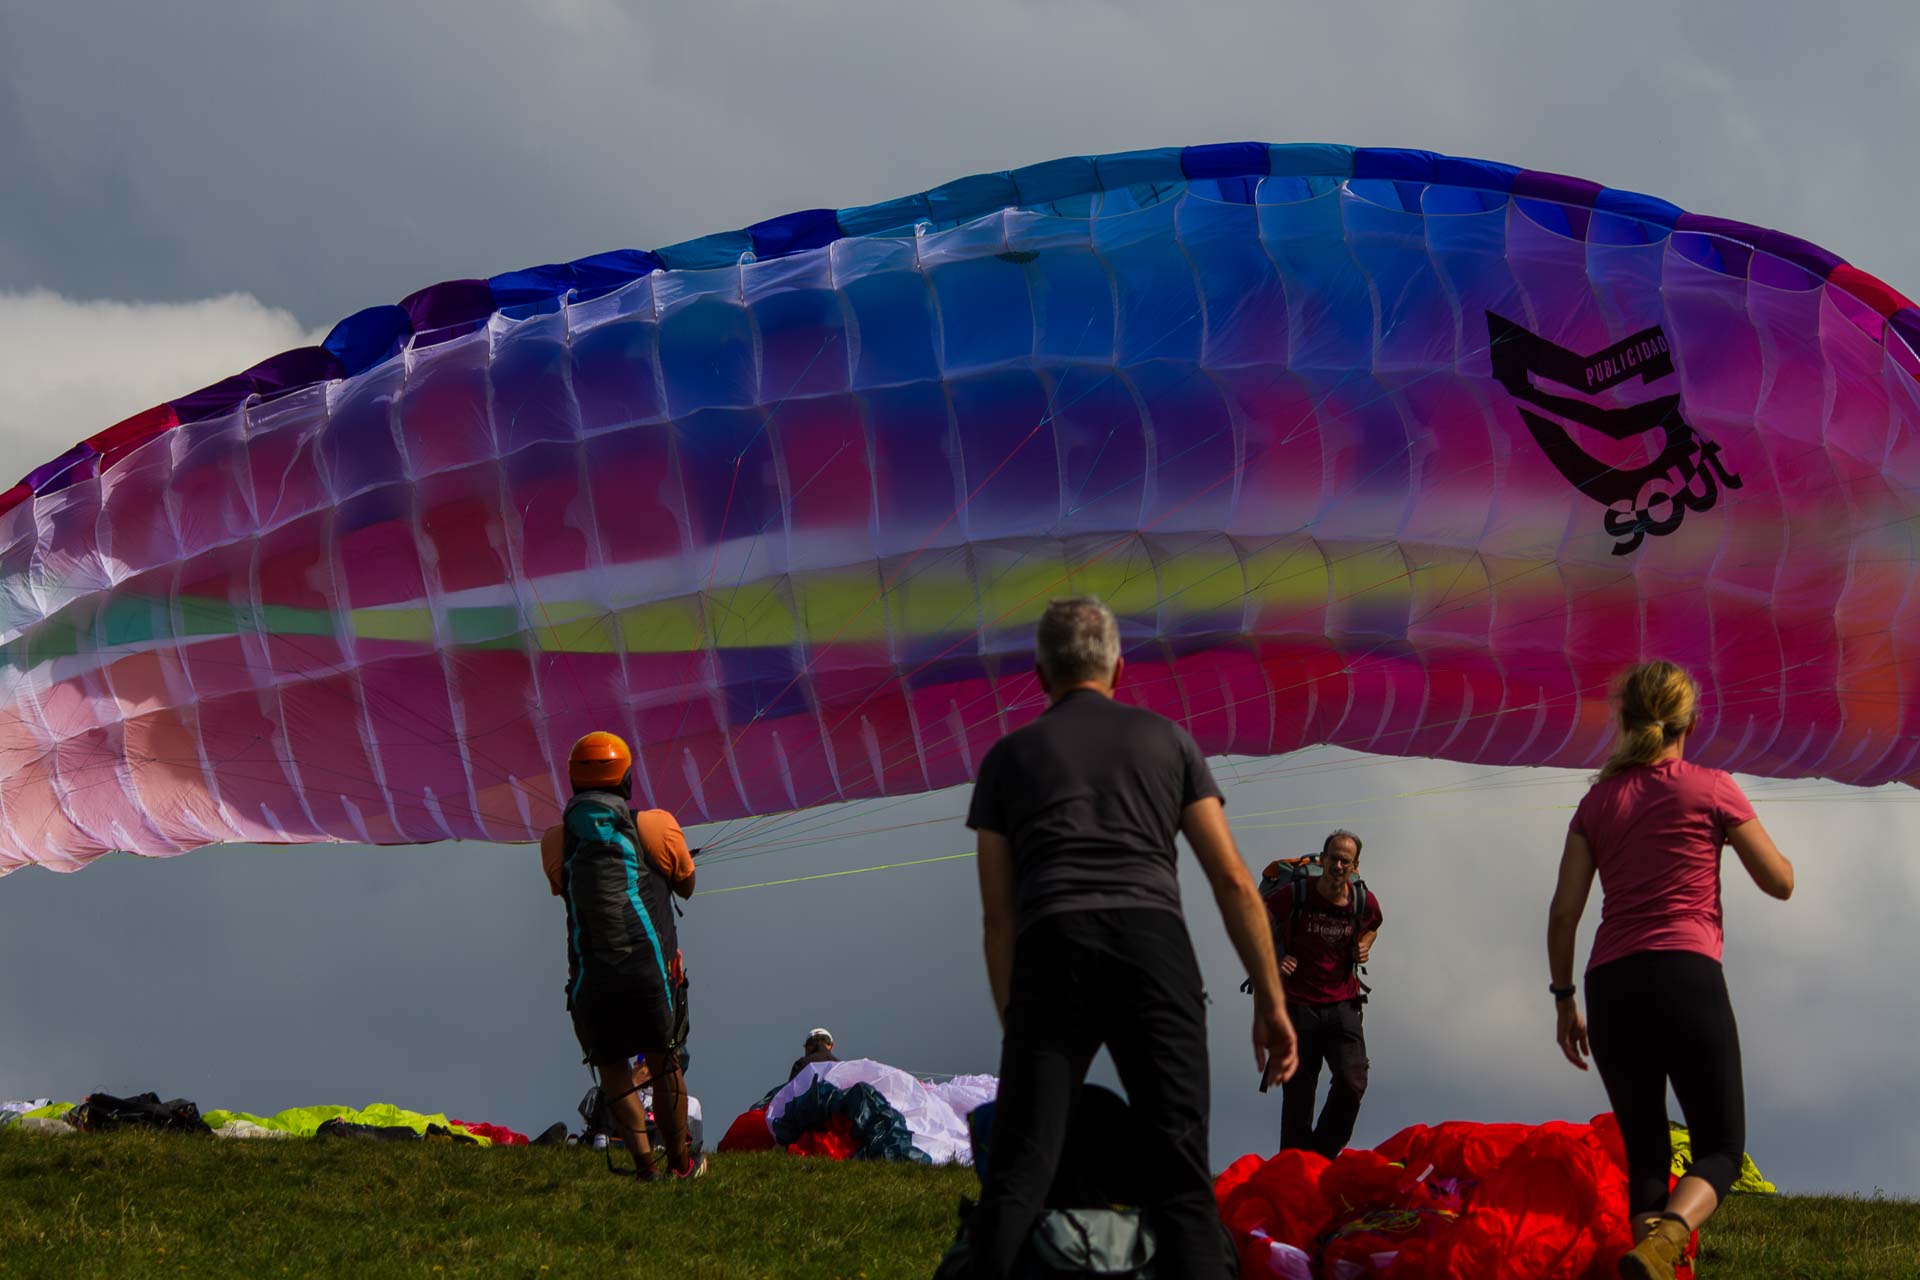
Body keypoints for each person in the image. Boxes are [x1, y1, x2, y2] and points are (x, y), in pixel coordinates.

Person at [966, 596, 1297, 1279]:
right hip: (1153, 948)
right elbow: (1234, 881)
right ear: (1119, 668)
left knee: (1018, 1176)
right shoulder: (1169, 741)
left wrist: (1021, 1026)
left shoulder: (1006, 757)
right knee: (1181, 1182)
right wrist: (1271, 1002)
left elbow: (998, 919)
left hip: (1053, 944)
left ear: (1040, 674)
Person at [1547, 662, 1793, 1280]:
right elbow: (1780, 883)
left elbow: (1564, 912)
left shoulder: (1596, 803)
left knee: (1647, 1151)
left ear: (1626, 720)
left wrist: (1563, 999)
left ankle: (1652, 1258)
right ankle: (1669, 1240)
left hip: (1611, 984)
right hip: (1685, 974)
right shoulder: (1712, 788)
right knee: (1721, 1149)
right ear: (1691, 721)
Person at [541, 730, 706, 1180]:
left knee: (613, 1070)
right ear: (627, 779)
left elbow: (562, 888)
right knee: (664, 1064)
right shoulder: (655, 825)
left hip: (591, 977)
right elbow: (687, 886)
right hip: (649, 973)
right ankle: (680, 1165)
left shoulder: (555, 841)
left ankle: (644, 1168)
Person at [1268, 830, 1382, 1158]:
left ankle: (1320, 1157)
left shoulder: (1363, 900)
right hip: (1297, 1006)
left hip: (1343, 1004)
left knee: (1352, 1081)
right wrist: (1275, 957)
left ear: (1355, 866)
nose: (1338, 866)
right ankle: (1292, 1170)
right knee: (1298, 1097)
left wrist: (1365, 945)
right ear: (1322, 859)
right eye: (1333, 858)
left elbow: (1374, 925)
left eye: (1345, 861)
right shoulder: (1296, 894)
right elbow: (1256, 920)